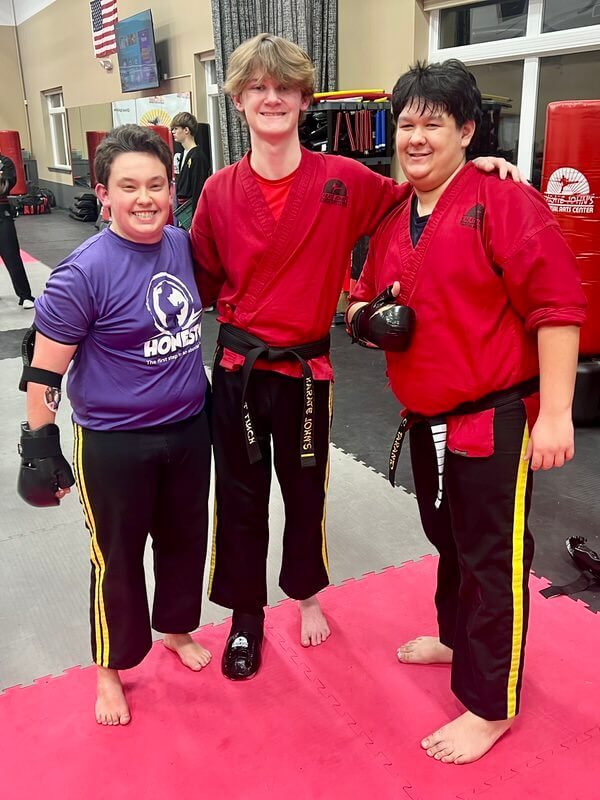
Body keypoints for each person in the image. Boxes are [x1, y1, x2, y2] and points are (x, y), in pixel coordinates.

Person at [190, 33, 525, 683]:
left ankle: (307, 593)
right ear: (236, 100)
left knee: (307, 492)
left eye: (283, 87)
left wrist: (477, 167)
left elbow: (419, 198)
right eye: (257, 87)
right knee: (238, 498)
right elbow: (195, 286)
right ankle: (244, 617)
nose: (271, 98)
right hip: (238, 370)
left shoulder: (345, 181)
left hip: (310, 372)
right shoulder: (218, 193)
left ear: (303, 99)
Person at [346, 59, 587, 764]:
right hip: (425, 420)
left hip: (493, 417)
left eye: (435, 124)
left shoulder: (505, 200)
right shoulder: (395, 211)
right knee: (449, 541)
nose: (417, 137)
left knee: (494, 558)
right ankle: (456, 637)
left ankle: (491, 703)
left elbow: (559, 309)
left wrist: (557, 414)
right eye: (408, 123)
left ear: (468, 130)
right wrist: (370, 319)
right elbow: (358, 297)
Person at [17, 125, 212, 726]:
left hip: (187, 429)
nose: (145, 198)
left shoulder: (181, 245)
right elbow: (44, 371)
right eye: (129, 187)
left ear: (171, 187)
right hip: (114, 443)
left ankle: (176, 629)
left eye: (156, 184)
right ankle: (110, 667)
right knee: (117, 558)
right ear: (103, 193)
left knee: (183, 542)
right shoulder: (82, 274)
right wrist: (39, 445)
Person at [0, 150, 35, 309]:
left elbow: (4, 187)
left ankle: (25, 295)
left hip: (2, 215)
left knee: (11, 255)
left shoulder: (5, 163)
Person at [171, 112, 211, 215]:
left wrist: (195, 219)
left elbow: (198, 190)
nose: (173, 132)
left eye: (176, 129)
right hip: (181, 208)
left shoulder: (197, 157)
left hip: (191, 208)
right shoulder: (184, 154)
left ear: (186, 130)